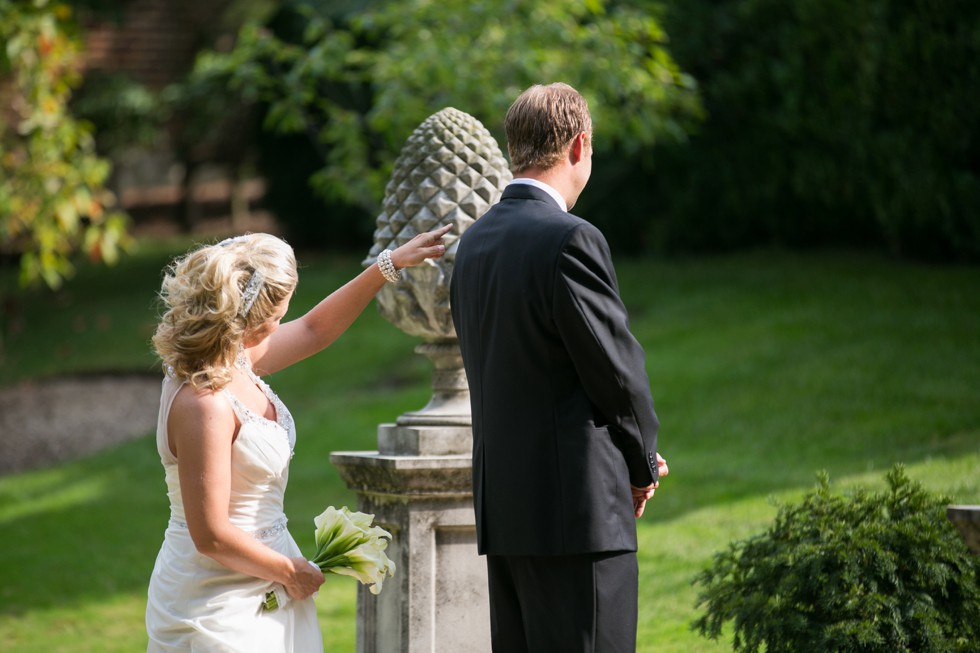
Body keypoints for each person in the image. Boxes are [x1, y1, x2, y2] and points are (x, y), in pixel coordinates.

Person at [145, 224, 451, 652]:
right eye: (278, 314)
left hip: (270, 579)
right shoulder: (204, 403)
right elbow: (211, 534)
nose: (283, 321)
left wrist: (389, 265)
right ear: (250, 318)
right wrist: (291, 571)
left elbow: (314, 331)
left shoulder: (234, 358)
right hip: (217, 600)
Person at [449, 82, 669, 652]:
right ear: (579, 146)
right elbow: (616, 373)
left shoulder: (473, 245)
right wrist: (641, 462)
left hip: (507, 512)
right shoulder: (571, 239)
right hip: (578, 515)